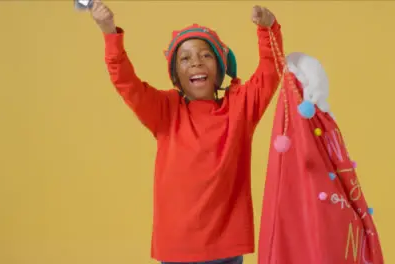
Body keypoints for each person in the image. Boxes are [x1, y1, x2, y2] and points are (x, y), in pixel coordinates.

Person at [88, 1, 283, 263]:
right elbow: (126, 82)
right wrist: (109, 32)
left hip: (226, 247)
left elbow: (271, 71)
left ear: (220, 69)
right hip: (177, 248)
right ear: (176, 75)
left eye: (206, 55)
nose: (196, 63)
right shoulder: (165, 110)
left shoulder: (240, 107)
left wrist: (267, 28)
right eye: (186, 58)